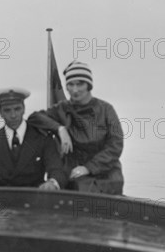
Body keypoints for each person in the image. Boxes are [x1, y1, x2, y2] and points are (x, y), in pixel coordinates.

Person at [28, 61, 124, 195]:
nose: (75, 89)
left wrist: (89, 168)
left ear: (89, 85)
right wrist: (60, 128)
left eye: (80, 84)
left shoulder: (106, 109)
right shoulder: (62, 108)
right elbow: (34, 118)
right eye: (70, 84)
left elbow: (115, 145)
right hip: (73, 172)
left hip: (106, 173)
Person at [0, 87, 66, 190]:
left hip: (34, 200)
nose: (13, 115)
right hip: (1, 202)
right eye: (7, 110)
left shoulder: (43, 139)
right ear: (0, 112)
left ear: (24, 109)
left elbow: (56, 170)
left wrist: (52, 183)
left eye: (17, 109)